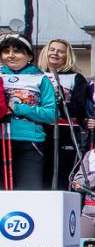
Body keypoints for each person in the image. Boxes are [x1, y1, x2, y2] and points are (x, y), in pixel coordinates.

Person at [1, 34, 58, 189]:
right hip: (2, 138)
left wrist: (20, 108)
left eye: (17, 51)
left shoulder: (40, 78)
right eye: (6, 51)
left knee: (29, 191)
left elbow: (52, 115)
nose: (11, 55)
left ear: (29, 56)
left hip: (29, 141)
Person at [38, 37, 89, 190]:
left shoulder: (76, 78)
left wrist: (50, 108)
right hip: (40, 129)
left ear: (67, 56)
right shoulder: (35, 75)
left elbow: (78, 106)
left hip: (65, 130)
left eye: (60, 51)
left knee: (63, 172)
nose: (55, 53)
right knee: (42, 171)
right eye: (52, 50)